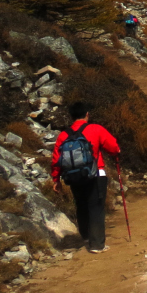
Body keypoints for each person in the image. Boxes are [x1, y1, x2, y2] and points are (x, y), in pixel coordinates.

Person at [51, 102, 121, 253]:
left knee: (81, 205)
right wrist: (117, 152)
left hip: (73, 177)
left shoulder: (64, 135)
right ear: (87, 114)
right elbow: (113, 147)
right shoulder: (95, 129)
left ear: (72, 116)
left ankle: (86, 237)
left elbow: (56, 160)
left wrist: (56, 180)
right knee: (96, 207)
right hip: (95, 174)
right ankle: (97, 245)